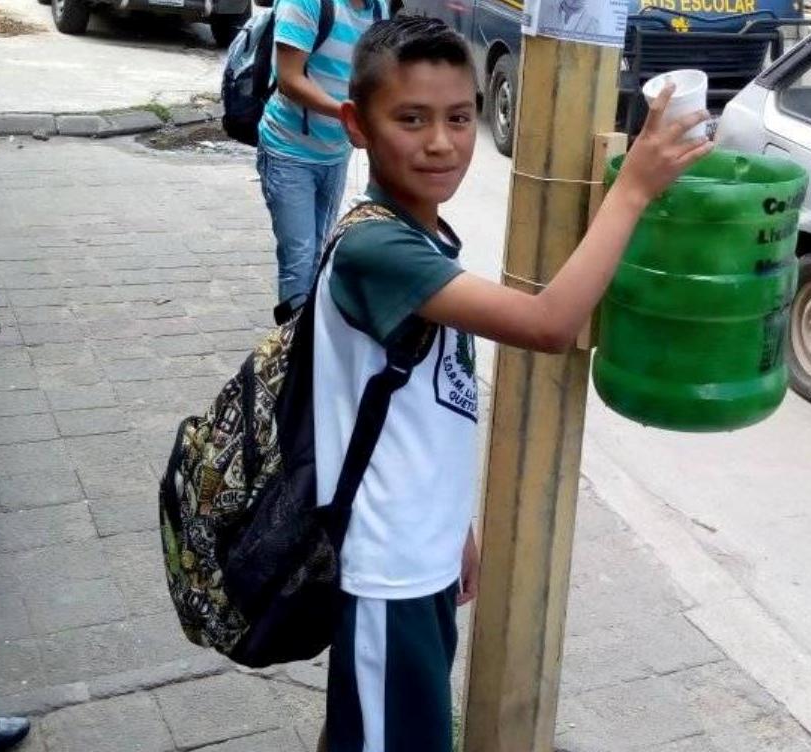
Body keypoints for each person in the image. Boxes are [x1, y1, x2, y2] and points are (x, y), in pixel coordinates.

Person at [315, 15, 711, 751]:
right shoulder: (376, 249)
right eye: (411, 119)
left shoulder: (425, 237)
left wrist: (452, 527)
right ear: (356, 125)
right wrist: (631, 191)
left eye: (458, 118)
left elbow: (421, 409)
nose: (441, 141)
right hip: (384, 568)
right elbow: (547, 323)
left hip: (419, 551)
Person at [257, 0, 385, 322]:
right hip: (288, 150)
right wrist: (349, 117)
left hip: (335, 154)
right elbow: (289, 78)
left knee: (318, 254)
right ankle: (290, 356)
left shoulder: (378, 8)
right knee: (299, 260)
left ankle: (307, 342)